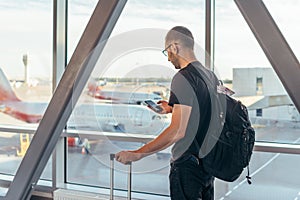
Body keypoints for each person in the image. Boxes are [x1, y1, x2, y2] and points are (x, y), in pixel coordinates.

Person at [115, 26, 215, 200]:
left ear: (174, 47)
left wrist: (138, 153)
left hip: (187, 166)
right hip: (207, 166)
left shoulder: (183, 78)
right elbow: (204, 110)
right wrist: (172, 108)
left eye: (167, 51)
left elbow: (178, 131)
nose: (168, 58)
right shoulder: (210, 76)